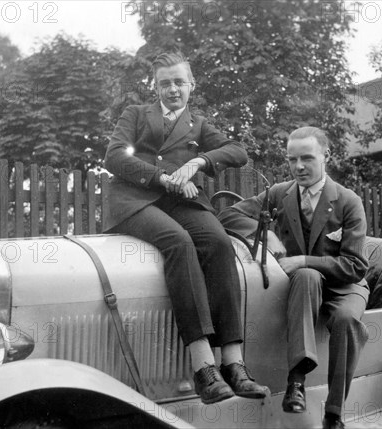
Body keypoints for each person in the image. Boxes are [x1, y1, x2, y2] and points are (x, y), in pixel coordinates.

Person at [103, 52, 266, 404]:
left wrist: (199, 160)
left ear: (191, 85)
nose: (172, 89)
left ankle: (234, 363)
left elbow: (238, 152)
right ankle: (204, 367)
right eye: (165, 83)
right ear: (156, 86)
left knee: (219, 243)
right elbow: (115, 156)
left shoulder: (199, 124)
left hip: (184, 202)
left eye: (179, 82)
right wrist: (163, 178)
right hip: (136, 201)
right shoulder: (135, 115)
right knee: (178, 242)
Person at [218, 127, 369, 429]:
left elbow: (355, 266)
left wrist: (303, 259)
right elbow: (229, 215)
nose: (298, 166)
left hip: (344, 285)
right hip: (303, 285)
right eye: (292, 159)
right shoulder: (279, 194)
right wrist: (266, 234)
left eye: (307, 158)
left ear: (327, 156)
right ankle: (296, 382)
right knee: (306, 277)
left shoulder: (348, 201)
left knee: (346, 321)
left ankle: (334, 414)